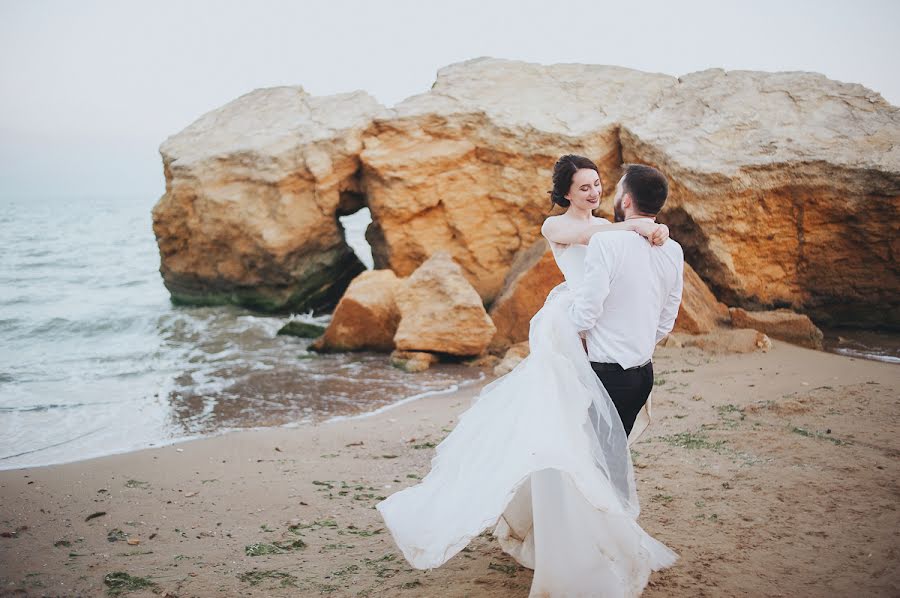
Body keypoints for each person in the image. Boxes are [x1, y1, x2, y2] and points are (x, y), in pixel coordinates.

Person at [375, 155, 679, 597]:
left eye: (598, 185)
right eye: (583, 188)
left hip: (600, 344)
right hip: (572, 344)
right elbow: (584, 237)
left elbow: (623, 275)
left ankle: (573, 533)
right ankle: (572, 538)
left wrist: (647, 231)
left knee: (578, 451)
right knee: (568, 448)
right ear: (566, 194)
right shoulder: (557, 227)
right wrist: (639, 226)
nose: (594, 193)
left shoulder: (619, 234)